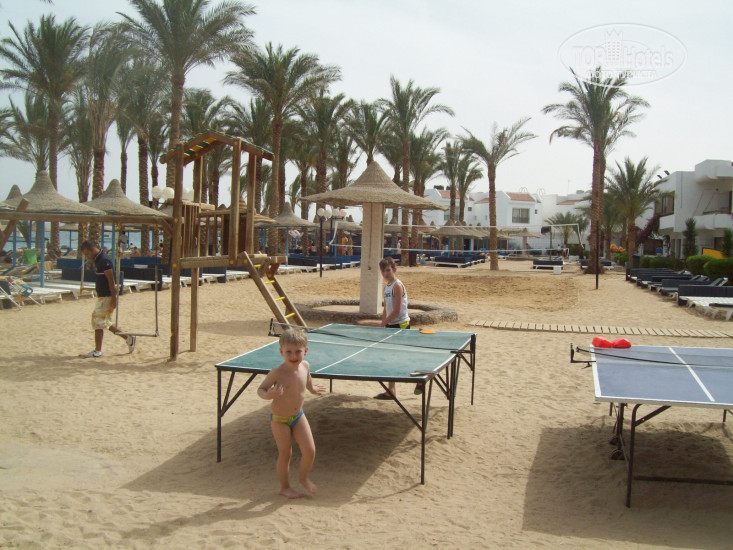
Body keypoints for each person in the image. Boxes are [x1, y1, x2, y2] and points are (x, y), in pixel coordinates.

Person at [257, 328, 326, 498]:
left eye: (298, 351)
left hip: (298, 416)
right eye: (288, 352)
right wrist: (268, 395)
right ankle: (285, 487)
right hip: (279, 419)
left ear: (305, 351)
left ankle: (303, 479)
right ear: (281, 352)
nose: (294, 356)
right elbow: (261, 389)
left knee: (310, 450)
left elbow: (307, 380)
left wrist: (312, 389)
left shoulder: (305, 365)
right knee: (286, 454)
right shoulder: (277, 372)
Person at [79, 241, 136, 358]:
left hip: (106, 296)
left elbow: (111, 281)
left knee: (97, 321)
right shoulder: (98, 260)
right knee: (104, 322)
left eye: (87, 254)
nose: (87, 257)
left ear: (90, 250)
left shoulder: (104, 261)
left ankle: (98, 350)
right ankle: (128, 338)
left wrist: (114, 299)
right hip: (103, 296)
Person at [374, 256, 410, 400]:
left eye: (388, 270)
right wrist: (383, 323)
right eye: (383, 271)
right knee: (391, 357)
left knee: (399, 357)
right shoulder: (386, 287)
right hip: (391, 325)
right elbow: (386, 309)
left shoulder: (397, 286)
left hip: (401, 325)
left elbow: (396, 311)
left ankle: (422, 377)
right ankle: (391, 390)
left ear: (394, 270)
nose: (385, 273)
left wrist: (383, 323)